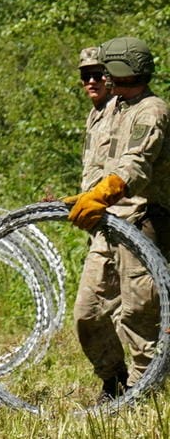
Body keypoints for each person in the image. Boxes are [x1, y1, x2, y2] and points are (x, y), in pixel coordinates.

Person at [69, 36, 169, 397]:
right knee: (88, 312)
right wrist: (84, 198)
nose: (98, 79)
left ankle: (146, 393)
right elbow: (100, 163)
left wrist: (103, 193)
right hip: (107, 227)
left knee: (140, 316)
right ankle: (113, 381)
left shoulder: (152, 109)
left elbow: (135, 165)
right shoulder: (112, 109)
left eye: (104, 71)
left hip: (141, 224)